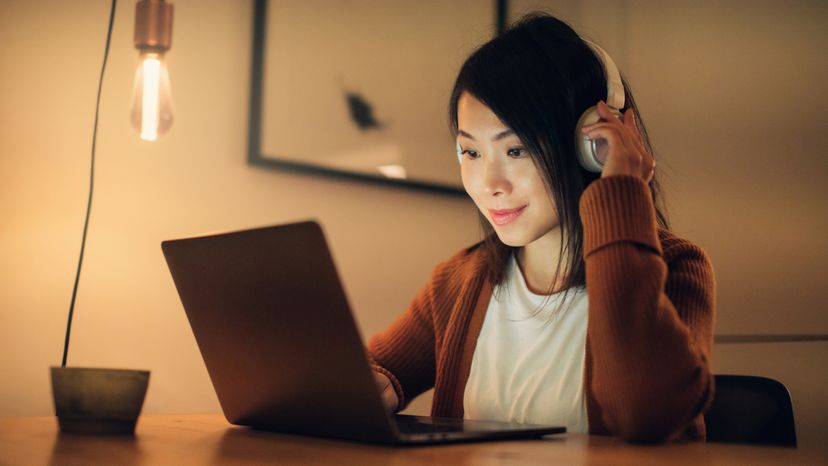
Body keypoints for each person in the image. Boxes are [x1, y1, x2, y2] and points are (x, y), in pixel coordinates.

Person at [368, 12, 715, 443]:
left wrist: (623, 188)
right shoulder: (458, 283)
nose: (490, 184)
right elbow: (371, 368)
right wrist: (376, 383)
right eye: (470, 152)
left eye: (516, 149)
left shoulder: (679, 267)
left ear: (590, 143)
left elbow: (643, 414)